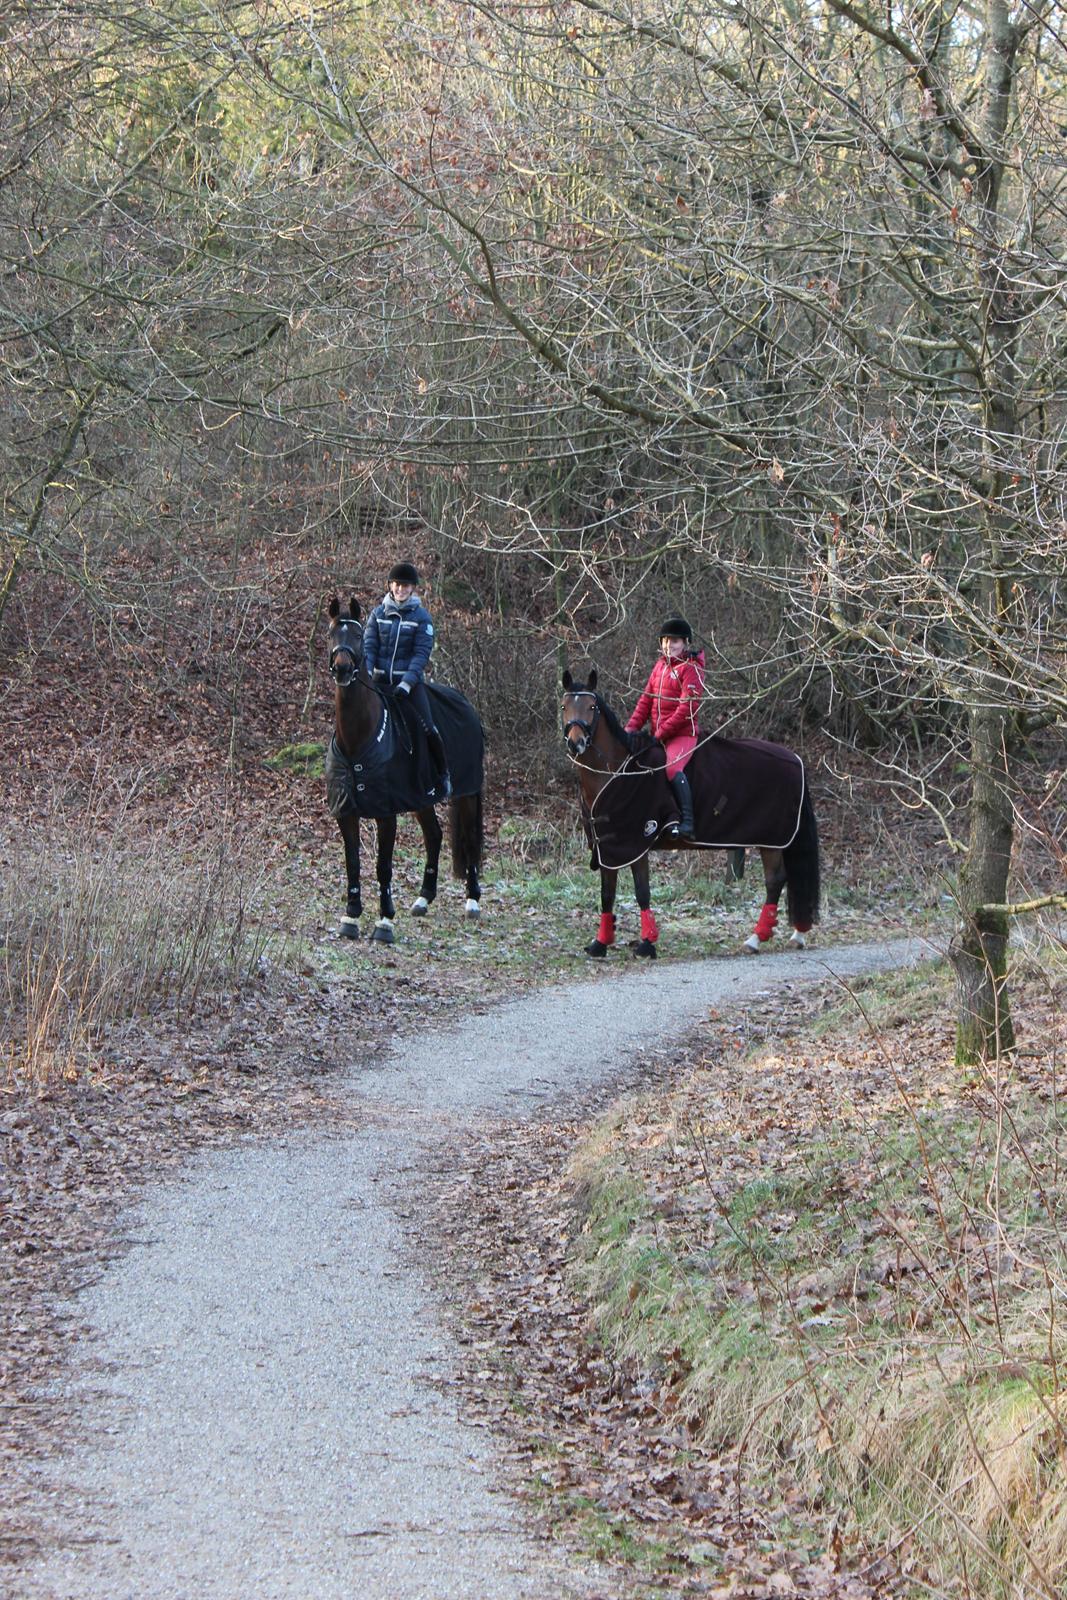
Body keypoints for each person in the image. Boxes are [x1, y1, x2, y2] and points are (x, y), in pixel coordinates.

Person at [365, 561, 451, 799]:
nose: (401, 589)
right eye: (397, 584)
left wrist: (406, 684)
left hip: (408, 686)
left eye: (406, 585)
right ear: (390, 586)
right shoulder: (377, 614)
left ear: (413, 588)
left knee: (428, 726)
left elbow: (421, 654)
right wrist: (368, 674)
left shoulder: (422, 618)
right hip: (380, 684)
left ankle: (442, 775)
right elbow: (369, 647)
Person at [625, 616, 704, 838]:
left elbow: (685, 709)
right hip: (659, 735)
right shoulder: (659, 666)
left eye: (675, 642)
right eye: (666, 642)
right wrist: (630, 728)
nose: (670, 646)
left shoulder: (691, 669)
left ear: (685, 643)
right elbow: (645, 701)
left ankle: (688, 821)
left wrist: (659, 733)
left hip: (682, 734)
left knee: (671, 769)